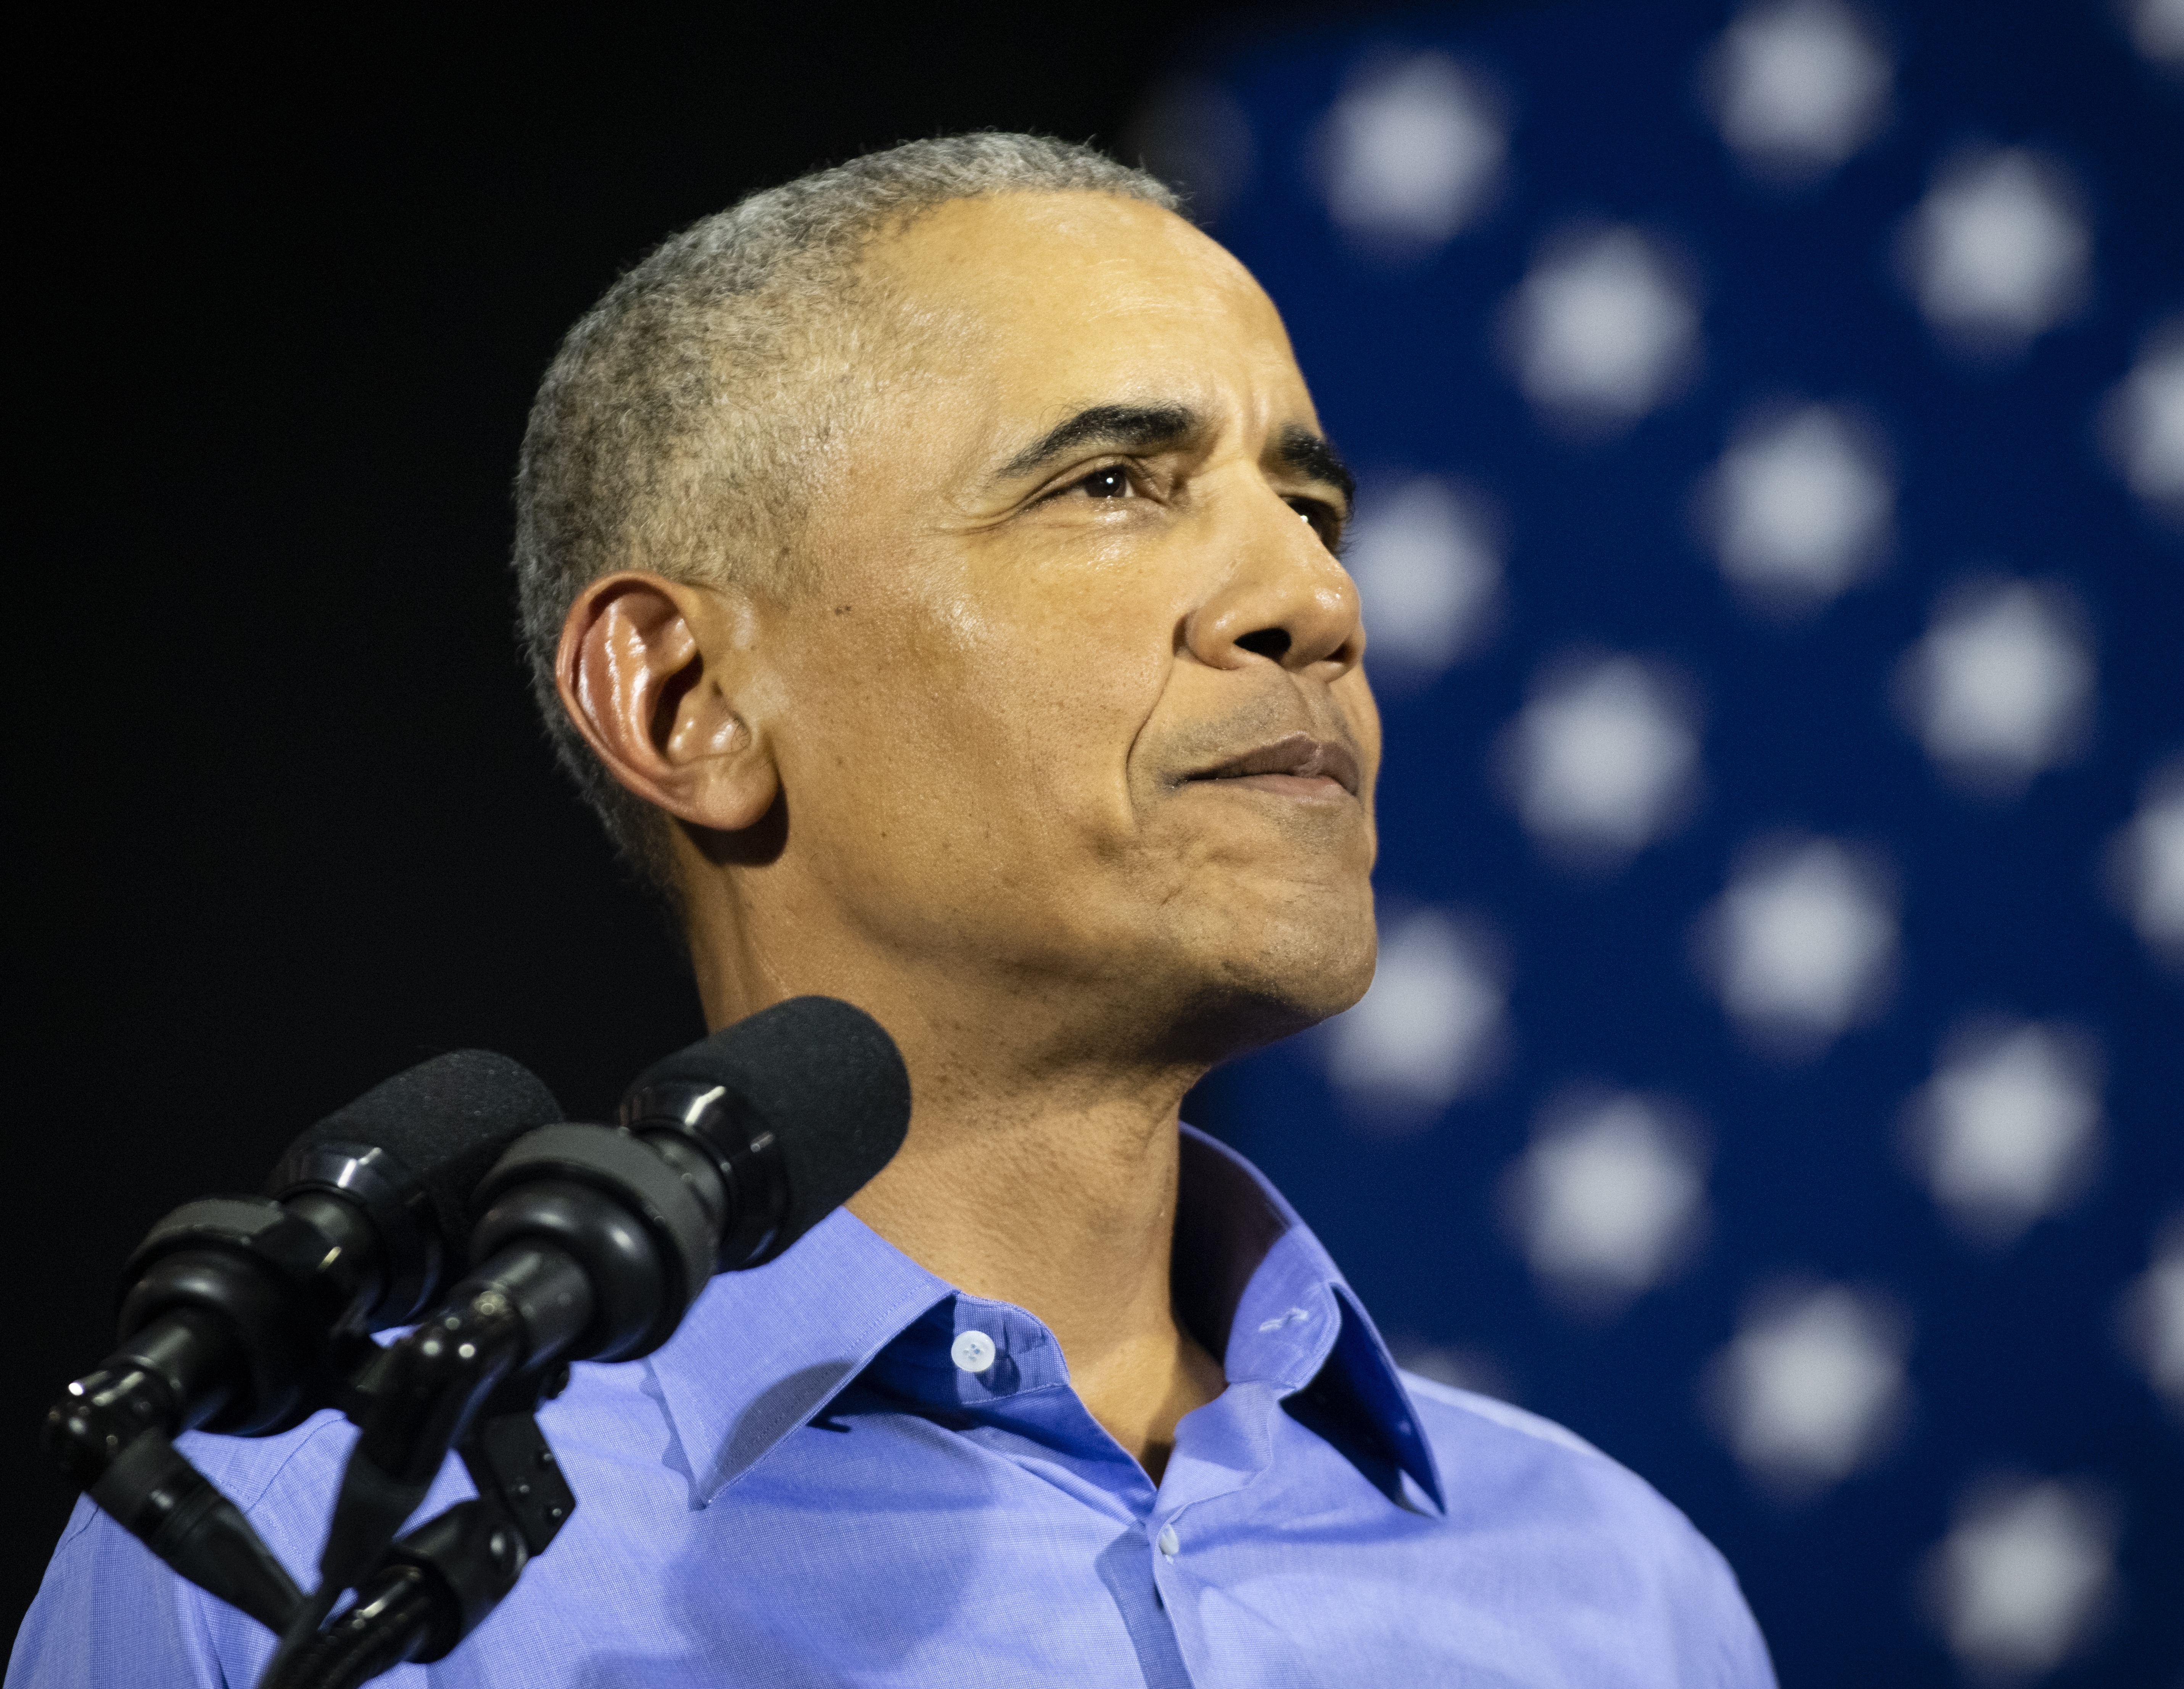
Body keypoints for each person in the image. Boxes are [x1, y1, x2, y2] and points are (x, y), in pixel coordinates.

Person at [11, 134, 1775, 1687]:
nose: (1312, 597)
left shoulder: (1618, 1594)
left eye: (1310, 503)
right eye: (1110, 485)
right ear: (687, 699)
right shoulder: (294, 1562)